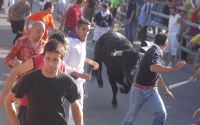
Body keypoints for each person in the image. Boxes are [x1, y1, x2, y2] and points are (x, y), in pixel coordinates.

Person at [4, 39, 83, 125]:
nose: (51, 64)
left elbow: (75, 106)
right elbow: (9, 101)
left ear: (61, 61)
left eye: (55, 60)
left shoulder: (67, 82)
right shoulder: (29, 79)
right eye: (48, 58)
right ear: (43, 57)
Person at [121, 33, 186, 125]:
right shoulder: (154, 51)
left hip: (152, 90)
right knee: (130, 118)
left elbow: (156, 74)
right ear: (165, 44)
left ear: (155, 40)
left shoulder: (155, 51)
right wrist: (173, 69)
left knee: (161, 113)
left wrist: (165, 90)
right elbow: (153, 68)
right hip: (139, 90)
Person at [64, 18, 99, 125]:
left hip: (78, 82)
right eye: (83, 29)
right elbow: (62, 64)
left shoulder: (82, 41)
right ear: (76, 29)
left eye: (88, 30)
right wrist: (79, 74)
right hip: (64, 81)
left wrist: (91, 62)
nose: (86, 32)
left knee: (77, 109)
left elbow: (79, 56)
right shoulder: (68, 42)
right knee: (56, 109)